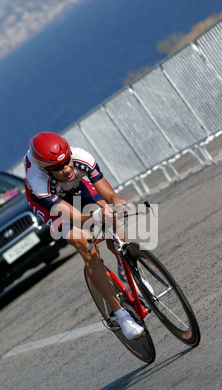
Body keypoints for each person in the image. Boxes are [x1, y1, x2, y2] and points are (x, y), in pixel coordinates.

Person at [24, 132, 144, 340]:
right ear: (46, 169)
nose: (67, 169)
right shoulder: (38, 181)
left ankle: (127, 271)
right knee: (86, 244)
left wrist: (117, 202)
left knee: (110, 218)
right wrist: (95, 215)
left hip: (75, 189)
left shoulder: (80, 157)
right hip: (49, 203)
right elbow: (78, 218)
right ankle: (121, 315)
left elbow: (109, 194)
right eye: (59, 168)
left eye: (68, 161)